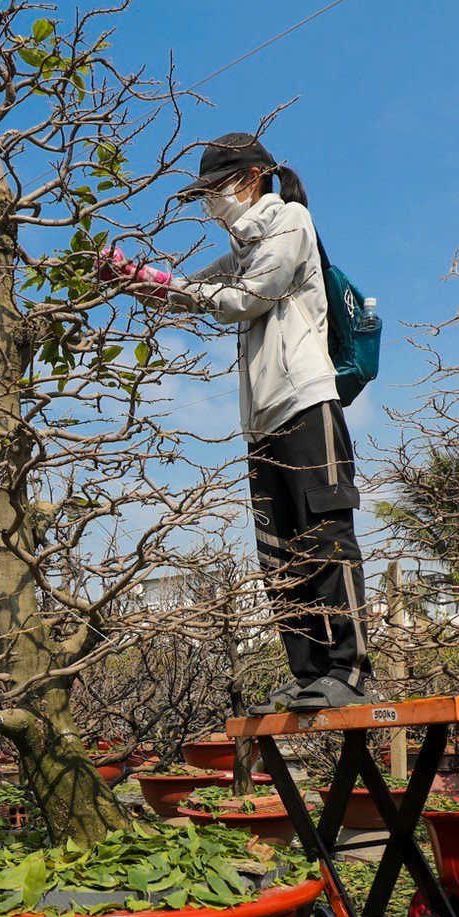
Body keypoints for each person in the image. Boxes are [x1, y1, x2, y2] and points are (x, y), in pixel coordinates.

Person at [99, 132, 372, 712]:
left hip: (306, 402)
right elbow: (196, 287)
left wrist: (172, 286)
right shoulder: (245, 245)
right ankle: (308, 676)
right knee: (279, 551)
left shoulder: (291, 222)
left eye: (216, 189)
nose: (210, 202)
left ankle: (346, 671)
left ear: (250, 179)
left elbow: (245, 298)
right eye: (204, 194)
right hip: (262, 420)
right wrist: (138, 279)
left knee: (325, 536)